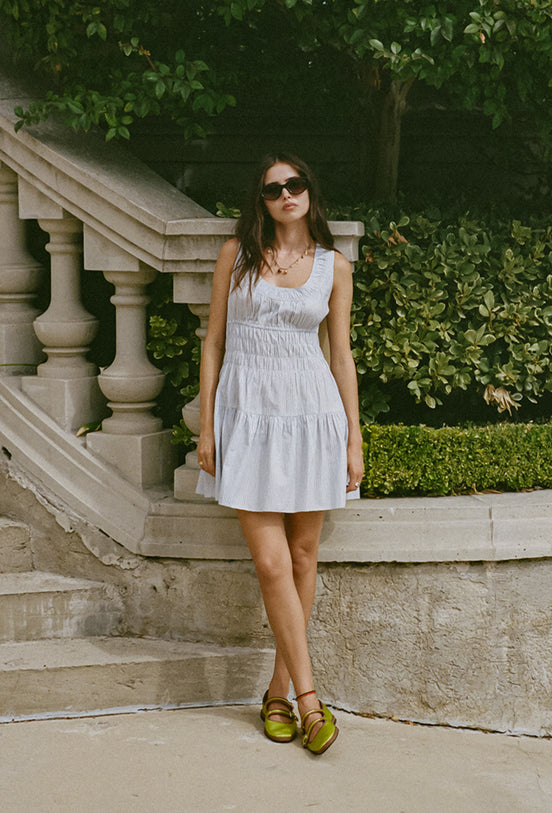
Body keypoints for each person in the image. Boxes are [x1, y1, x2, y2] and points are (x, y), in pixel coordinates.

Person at [195, 153, 364, 755]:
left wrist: (354, 437)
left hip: (313, 416)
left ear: (309, 192)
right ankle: (312, 702)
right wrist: (207, 425)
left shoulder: (334, 267)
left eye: (294, 185)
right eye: (273, 189)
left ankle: (276, 693)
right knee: (270, 564)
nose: (286, 194)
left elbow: (340, 355)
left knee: (302, 554)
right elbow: (213, 342)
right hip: (248, 418)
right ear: (261, 201)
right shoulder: (234, 258)